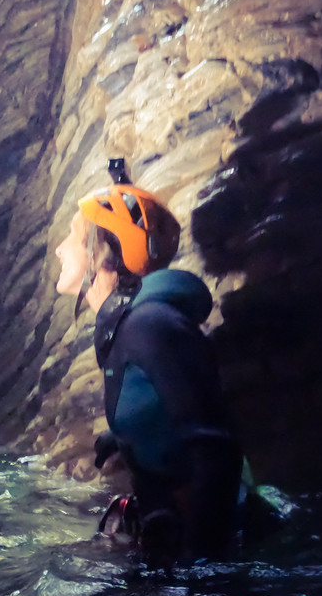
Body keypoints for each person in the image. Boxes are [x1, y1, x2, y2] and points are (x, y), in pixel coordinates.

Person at [54, 161, 246, 564]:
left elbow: (216, 451)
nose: (59, 249)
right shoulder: (129, 326)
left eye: (71, 237)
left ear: (100, 253)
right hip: (173, 534)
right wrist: (128, 438)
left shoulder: (152, 325)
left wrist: (200, 575)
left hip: (208, 551)